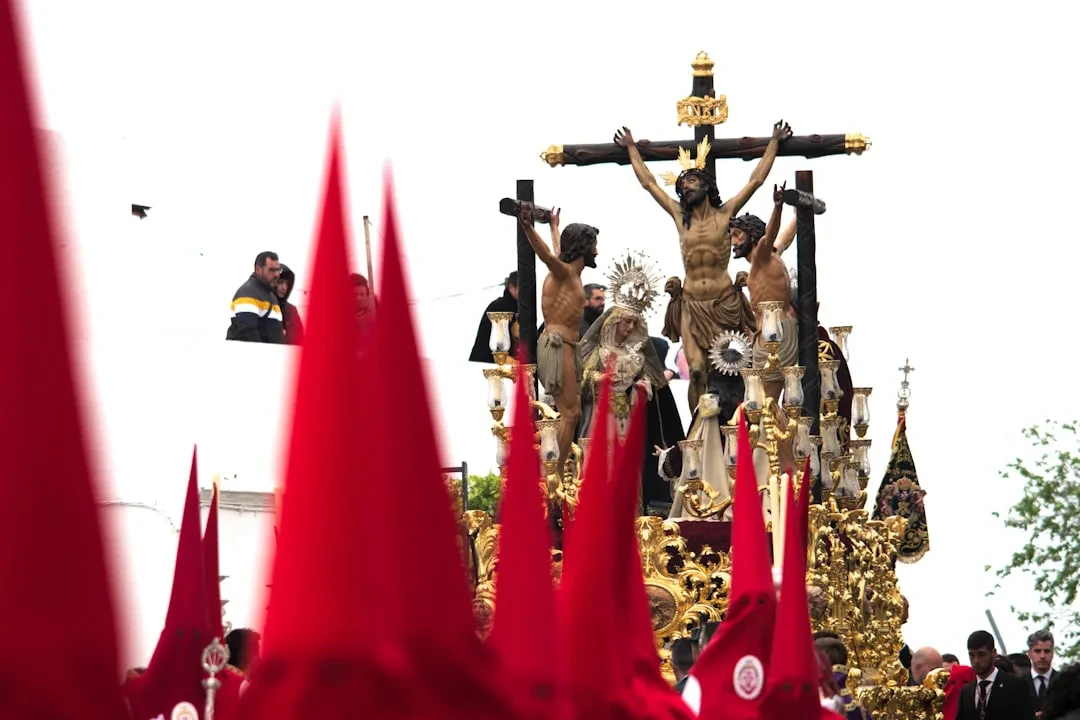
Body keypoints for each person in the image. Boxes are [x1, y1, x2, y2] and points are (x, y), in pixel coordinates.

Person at [614, 120, 791, 411]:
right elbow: (649, 184)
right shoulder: (678, 215)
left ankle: (727, 432)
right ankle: (698, 434)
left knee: (728, 371)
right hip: (691, 304)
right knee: (696, 371)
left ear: (706, 185)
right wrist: (632, 148)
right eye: (682, 186)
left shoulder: (726, 214)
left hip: (724, 303)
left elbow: (755, 180)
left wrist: (773, 142)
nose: (684, 188)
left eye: (691, 182)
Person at [578, 254, 685, 515]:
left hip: (627, 418)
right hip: (601, 418)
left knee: (629, 468)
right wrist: (599, 379)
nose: (629, 328)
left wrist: (642, 387)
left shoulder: (638, 355)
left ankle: (631, 514)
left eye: (634, 324)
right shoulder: (597, 352)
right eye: (626, 322)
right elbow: (580, 382)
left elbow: (653, 387)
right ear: (614, 321)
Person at [515, 205, 597, 473]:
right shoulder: (562, 272)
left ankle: (556, 472)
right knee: (571, 414)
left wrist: (553, 226)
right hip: (557, 344)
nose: (597, 250)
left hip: (570, 346)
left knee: (573, 414)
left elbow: (557, 251)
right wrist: (528, 228)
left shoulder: (572, 273)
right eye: (594, 245)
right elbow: (548, 256)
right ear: (584, 246)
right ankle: (553, 476)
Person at [731, 182, 799, 403]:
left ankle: (771, 438)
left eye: (738, 235)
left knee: (765, 400)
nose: (733, 242)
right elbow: (784, 239)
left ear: (752, 235)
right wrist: (799, 216)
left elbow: (770, 234)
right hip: (772, 334)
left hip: (775, 338)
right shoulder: (770, 257)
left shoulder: (761, 256)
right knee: (763, 399)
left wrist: (777, 207)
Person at [956, 630, 1036, 719]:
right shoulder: (966, 691)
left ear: (993, 653)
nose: (976, 661)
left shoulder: (1015, 685)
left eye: (981, 654)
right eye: (972, 655)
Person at [226, 251, 284, 343]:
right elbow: (248, 335)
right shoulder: (248, 292)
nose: (276, 274)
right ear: (258, 270)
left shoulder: (271, 295)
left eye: (278, 270)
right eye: (271, 270)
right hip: (253, 356)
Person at [468, 271, 518, 363]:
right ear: (511, 287)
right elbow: (500, 348)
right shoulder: (501, 307)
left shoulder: (512, 308)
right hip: (486, 364)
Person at [1025, 629, 1059, 716]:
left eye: (1047, 651)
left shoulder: (1065, 682)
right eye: (1037, 651)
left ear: (1053, 653)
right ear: (1029, 653)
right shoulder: (1018, 683)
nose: (1042, 656)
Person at [275, 264, 304, 346]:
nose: (284, 287)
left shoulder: (291, 310)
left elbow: (300, 339)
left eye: (287, 284)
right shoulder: (264, 307)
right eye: (280, 282)